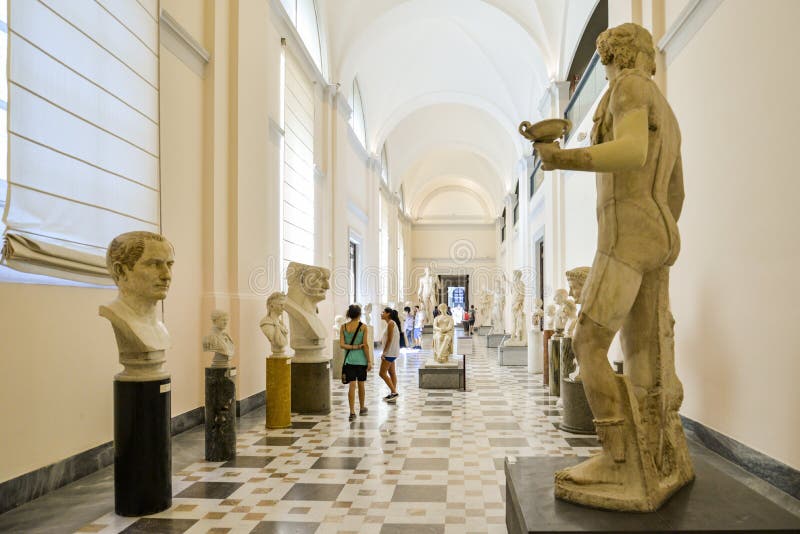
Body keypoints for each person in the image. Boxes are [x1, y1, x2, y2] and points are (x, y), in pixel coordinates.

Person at [531, 22, 692, 509]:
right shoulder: (664, 105)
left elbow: (630, 151)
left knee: (587, 340)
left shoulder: (629, 87)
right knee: (646, 350)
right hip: (658, 233)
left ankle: (617, 457)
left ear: (616, 57)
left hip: (626, 238)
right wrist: (656, 229)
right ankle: (663, 459)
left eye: (604, 64)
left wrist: (562, 160)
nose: (604, 74)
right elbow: (678, 190)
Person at [339, 304, 372, 421]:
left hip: (349, 360)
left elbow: (342, 345)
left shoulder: (343, 327)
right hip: (361, 360)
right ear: (359, 314)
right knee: (361, 384)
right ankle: (362, 407)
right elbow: (365, 345)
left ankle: (352, 412)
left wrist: (353, 347)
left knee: (352, 386)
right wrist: (369, 361)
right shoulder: (363, 327)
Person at [379, 307, 401, 403]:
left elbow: (389, 339)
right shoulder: (390, 323)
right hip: (392, 352)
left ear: (388, 314)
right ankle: (393, 394)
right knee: (391, 372)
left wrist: (384, 352)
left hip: (390, 352)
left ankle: (394, 392)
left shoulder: (391, 323)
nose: (381, 313)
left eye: (383, 312)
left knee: (382, 373)